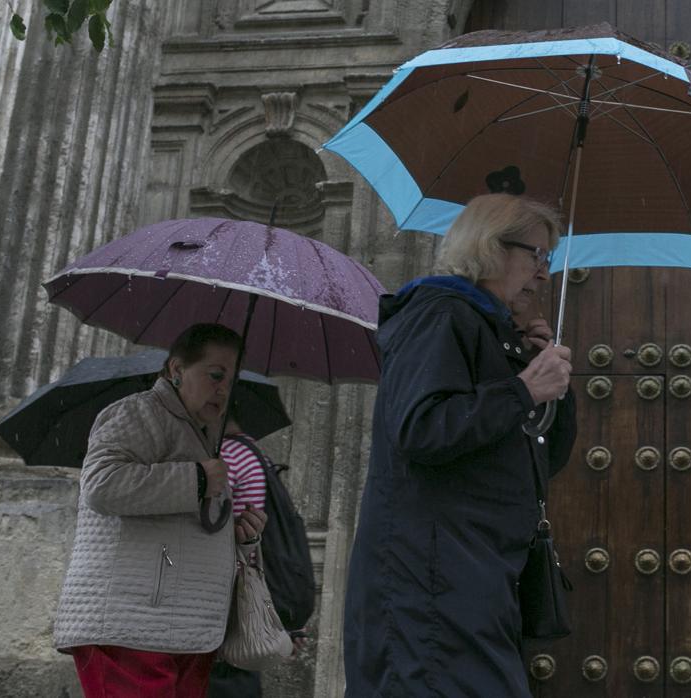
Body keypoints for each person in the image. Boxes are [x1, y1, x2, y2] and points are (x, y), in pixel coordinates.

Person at [344, 193, 578, 696]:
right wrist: (522, 389)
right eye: (536, 255)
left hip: (475, 577)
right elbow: (421, 427)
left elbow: (543, 458)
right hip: (429, 579)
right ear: (491, 247)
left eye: (548, 259)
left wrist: (538, 377)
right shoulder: (439, 314)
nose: (543, 274)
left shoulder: (492, 332)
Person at [54, 323, 268, 697]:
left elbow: (179, 521)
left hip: (185, 628)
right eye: (215, 374)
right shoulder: (137, 415)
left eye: (231, 380)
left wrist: (237, 531)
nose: (224, 389)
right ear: (176, 370)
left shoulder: (204, 434)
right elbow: (102, 485)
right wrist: (198, 480)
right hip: (131, 623)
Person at [208, 414, 311, 697]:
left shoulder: (228, 456)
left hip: (227, 606)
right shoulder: (254, 454)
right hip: (244, 604)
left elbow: (207, 527)